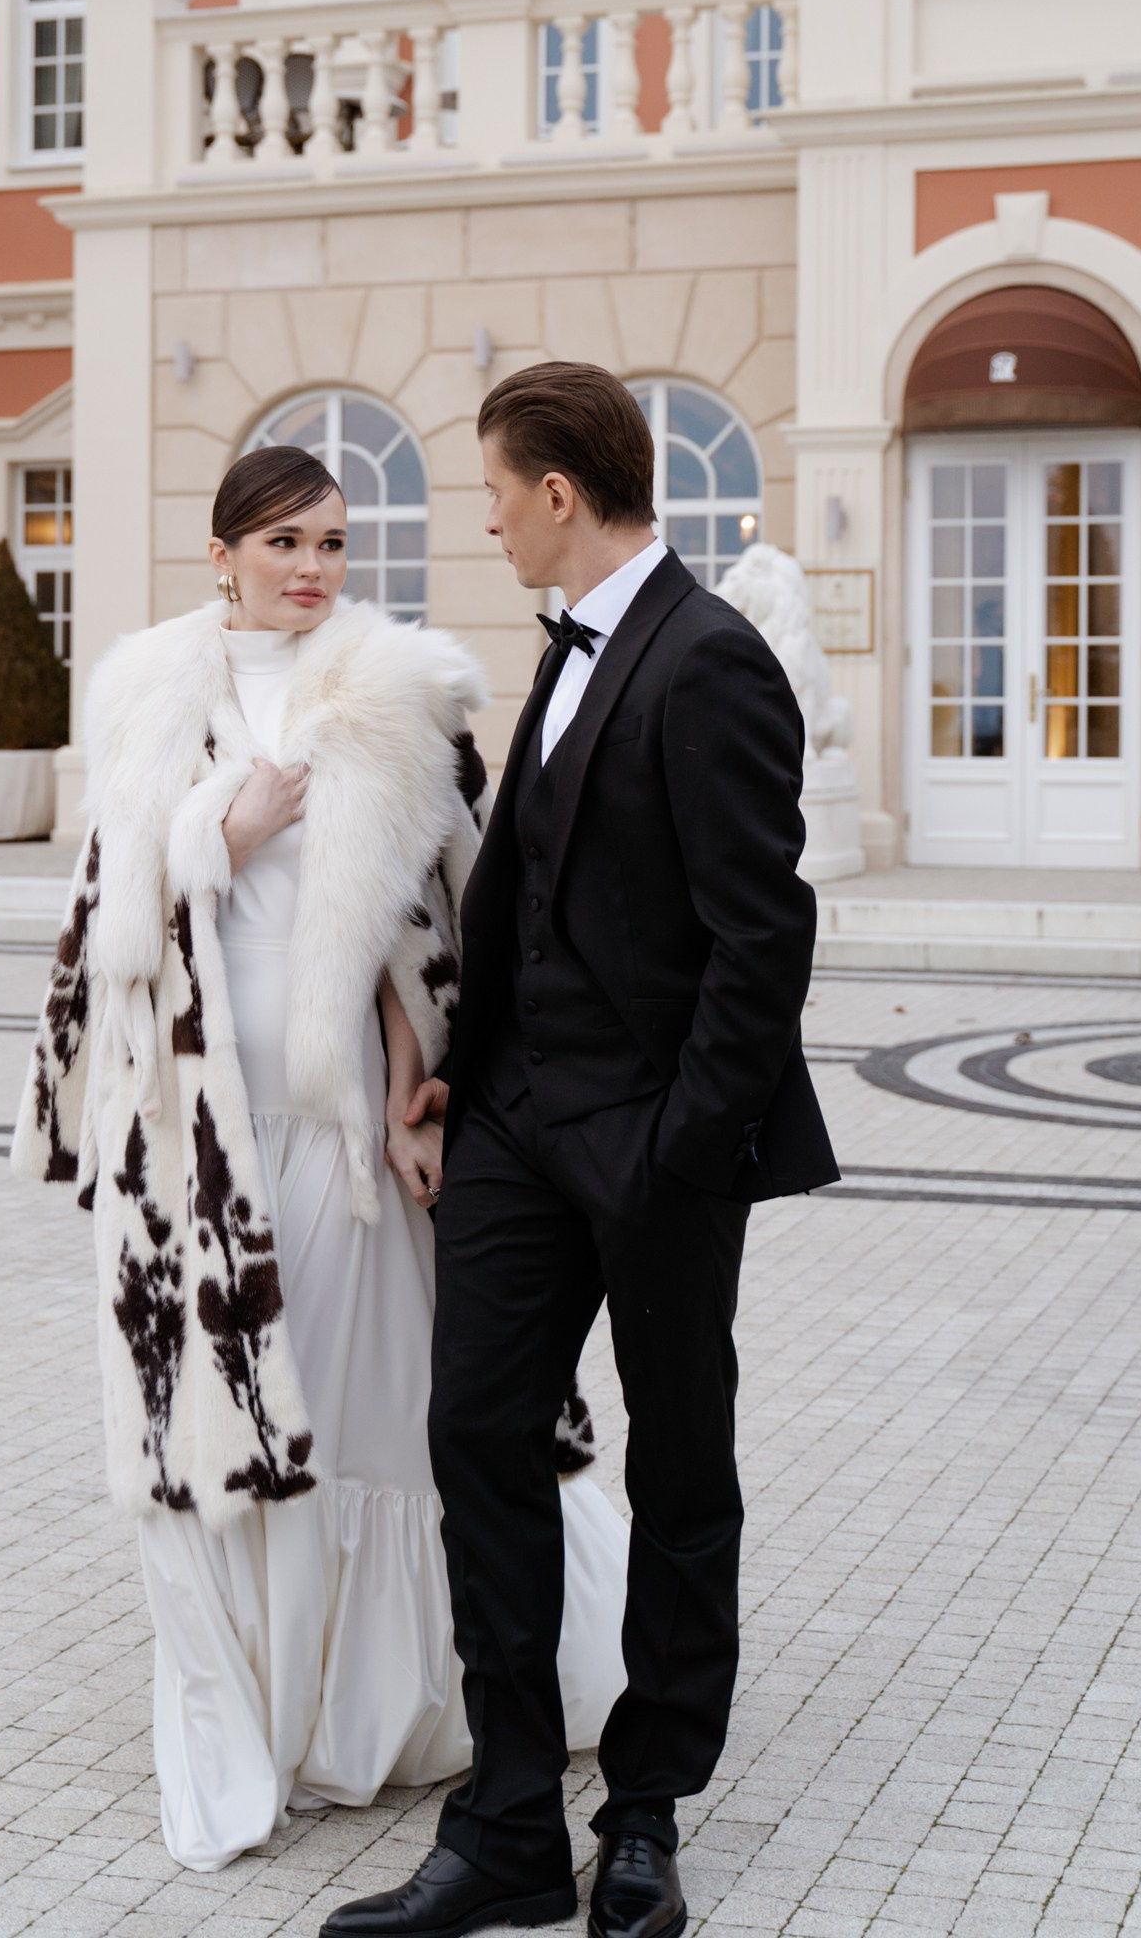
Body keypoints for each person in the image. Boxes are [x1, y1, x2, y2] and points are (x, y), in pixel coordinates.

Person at [13, 441, 631, 1872]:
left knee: (360, 1415)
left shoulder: (397, 690)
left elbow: (445, 919)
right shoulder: (147, 691)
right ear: (222, 552)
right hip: (195, 1136)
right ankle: (260, 1719)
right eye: (283, 542)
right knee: (220, 1413)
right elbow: (103, 925)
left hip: (344, 1127)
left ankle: (380, 1712)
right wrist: (213, 838)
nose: (310, 568)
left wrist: (420, 1090)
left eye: (332, 543)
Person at [322, 363, 838, 1938]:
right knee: (478, 1434)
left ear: (558, 493)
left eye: (494, 491)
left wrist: (684, 1146)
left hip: (655, 1147)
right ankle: (505, 1828)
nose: (484, 520)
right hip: (512, 1128)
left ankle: (647, 1816)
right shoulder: (563, 653)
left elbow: (764, 937)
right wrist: (457, 1079)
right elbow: (525, 892)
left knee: (680, 1468)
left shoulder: (713, 658)